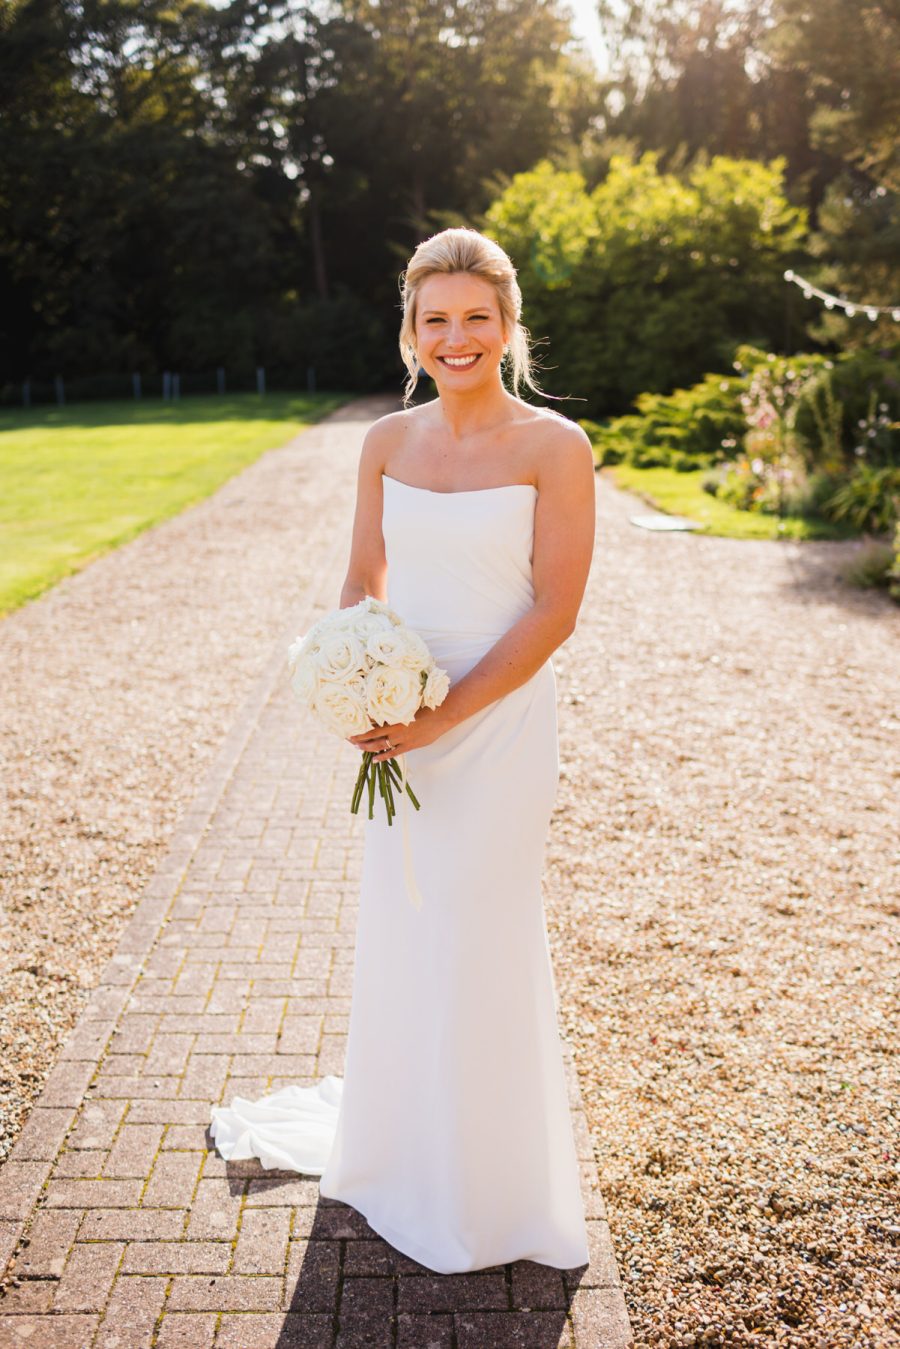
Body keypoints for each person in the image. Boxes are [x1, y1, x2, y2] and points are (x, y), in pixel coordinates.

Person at [210, 226, 596, 1274]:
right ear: (412, 332)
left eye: (478, 316)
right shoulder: (386, 441)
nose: (457, 336)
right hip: (401, 725)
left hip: (499, 722)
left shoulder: (555, 448)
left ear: (509, 326)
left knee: (482, 928)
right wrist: (357, 678)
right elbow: (360, 581)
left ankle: (492, 1184)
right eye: (437, 319)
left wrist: (445, 711)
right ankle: (399, 1154)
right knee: (407, 923)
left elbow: (555, 610)